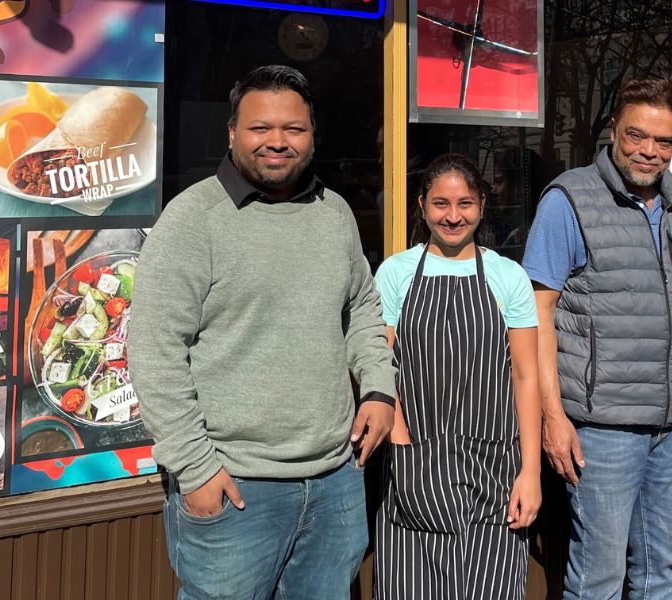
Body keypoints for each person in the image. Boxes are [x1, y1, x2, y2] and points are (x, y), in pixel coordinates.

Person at [128, 65, 397, 600]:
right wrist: (195, 469)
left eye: (294, 129)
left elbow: (363, 306)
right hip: (235, 487)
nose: (277, 141)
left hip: (336, 479)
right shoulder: (193, 219)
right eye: (260, 128)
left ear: (312, 135)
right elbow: (155, 351)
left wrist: (378, 387)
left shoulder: (335, 213)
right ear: (232, 133)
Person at [522, 77, 672, 599]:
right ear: (614, 128)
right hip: (602, 430)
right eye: (637, 135)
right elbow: (537, 316)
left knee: (664, 572)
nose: (649, 151)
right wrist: (553, 417)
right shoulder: (569, 199)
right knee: (598, 579)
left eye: (664, 142)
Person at [373, 153, 542, 600]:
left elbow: (526, 376)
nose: (453, 216)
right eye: (441, 204)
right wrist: (402, 442)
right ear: (422, 205)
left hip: (494, 472)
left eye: (464, 203)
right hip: (415, 469)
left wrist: (530, 472)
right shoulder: (396, 273)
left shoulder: (509, 276)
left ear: (482, 205)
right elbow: (380, 365)